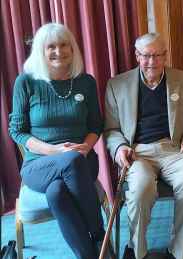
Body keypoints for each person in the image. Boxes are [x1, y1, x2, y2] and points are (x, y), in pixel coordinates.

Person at [8, 23, 109, 259]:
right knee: (69, 160)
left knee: (56, 193)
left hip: (82, 159)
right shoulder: (26, 82)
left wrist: (86, 146)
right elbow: (18, 131)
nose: (58, 51)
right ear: (40, 52)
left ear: (72, 49)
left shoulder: (86, 81)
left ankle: (89, 255)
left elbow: (96, 125)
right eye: (50, 46)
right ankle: (99, 235)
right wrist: (54, 151)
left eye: (64, 44)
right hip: (39, 164)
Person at [104, 33, 183, 259]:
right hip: (137, 152)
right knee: (141, 188)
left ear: (165, 55)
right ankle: (136, 250)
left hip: (175, 150)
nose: (152, 62)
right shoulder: (117, 84)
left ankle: (180, 251)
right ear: (137, 56)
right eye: (146, 56)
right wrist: (120, 147)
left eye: (157, 56)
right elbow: (111, 130)